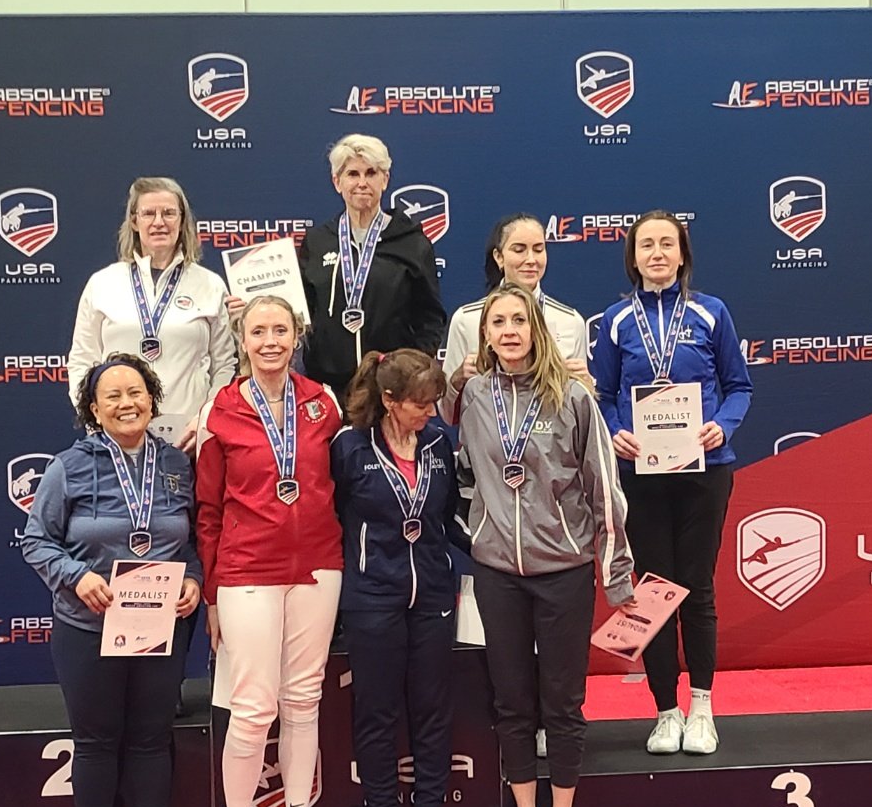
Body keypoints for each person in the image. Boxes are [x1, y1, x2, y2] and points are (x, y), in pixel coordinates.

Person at [457, 283, 633, 807]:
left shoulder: (573, 399)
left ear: (538, 329)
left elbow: (604, 489)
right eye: (498, 322)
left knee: (562, 700)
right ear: (485, 333)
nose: (509, 331)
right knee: (511, 700)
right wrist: (479, 530)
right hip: (497, 572)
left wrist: (617, 575)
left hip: (564, 568)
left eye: (519, 321)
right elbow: (462, 475)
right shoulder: (472, 396)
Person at [21, 352, 202, 807]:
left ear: (152, 399)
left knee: (151, 736)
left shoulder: (175, 464)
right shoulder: (68, 467)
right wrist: (76, 577)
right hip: (87, 624)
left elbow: (190, 539)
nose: (127, 403)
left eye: (136, 393)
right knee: (97, 739)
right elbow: (36, 540)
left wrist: (192, 579)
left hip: (159, 625)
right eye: (113, 396)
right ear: (93, 409)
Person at [591, 211, 753, 756]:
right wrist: (616, 433)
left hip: (705, 469)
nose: (657, 253)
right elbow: (605, 394)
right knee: (653, 592)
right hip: (643, 473)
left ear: (682, 254)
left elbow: (738, 386)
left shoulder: (712, 313)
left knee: (698, 589)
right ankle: (665, 711)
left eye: (667, 243)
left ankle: (702, 705)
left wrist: (721, 425)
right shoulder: (615, 320)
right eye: (646, 245)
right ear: (633, 258)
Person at [196, 295, 344, 807]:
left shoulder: (322, 402)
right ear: (243, 339)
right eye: (258, 331)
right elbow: (207, 510)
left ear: (296, 335)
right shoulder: (220, 409)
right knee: (253, 706)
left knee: (304, 700)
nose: (270, 341)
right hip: (246, 571)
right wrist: (211, 593)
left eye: (280, 330)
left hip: (318, 566)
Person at [330, 349, 467, 807]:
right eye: (419, 404)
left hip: (432, 592)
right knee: (378, 709)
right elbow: (335, 517)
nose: (430, 413)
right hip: (373, 596)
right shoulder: (348, 447)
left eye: (433, 403)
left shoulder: (436, 442)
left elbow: (450, 515)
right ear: (389, 401)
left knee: (431, 707)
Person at [68, 176, 236, 451]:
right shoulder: (102, 283)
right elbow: (82, 360)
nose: (159, 222)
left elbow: (224, 365)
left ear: (182, 221)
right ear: (134, 221)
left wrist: (205, 421)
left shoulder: (210, 284)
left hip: (190, 439)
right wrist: (95, 421)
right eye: (148, 213)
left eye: (169, 213)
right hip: (117, 436)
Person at [297, 134, 447, 398]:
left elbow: (430, 317)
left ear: (385, 180)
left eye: (371, 173)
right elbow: (300, 310)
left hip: (391, 389)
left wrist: (411, 371)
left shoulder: (411, 243)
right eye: (352, 174)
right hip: (327, 388)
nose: (362, 183)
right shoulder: (318, 242)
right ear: (337, 182)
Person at [441, 213, 590, 425]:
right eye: (519, 250)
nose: (531, 260)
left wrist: (586, 386)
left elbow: (579, 417)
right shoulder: (468, 319)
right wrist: (457, 380)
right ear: (499, 257)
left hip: (552, 452)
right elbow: (447, 416)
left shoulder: (570, 321)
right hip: (488, 452)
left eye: (538, 249)